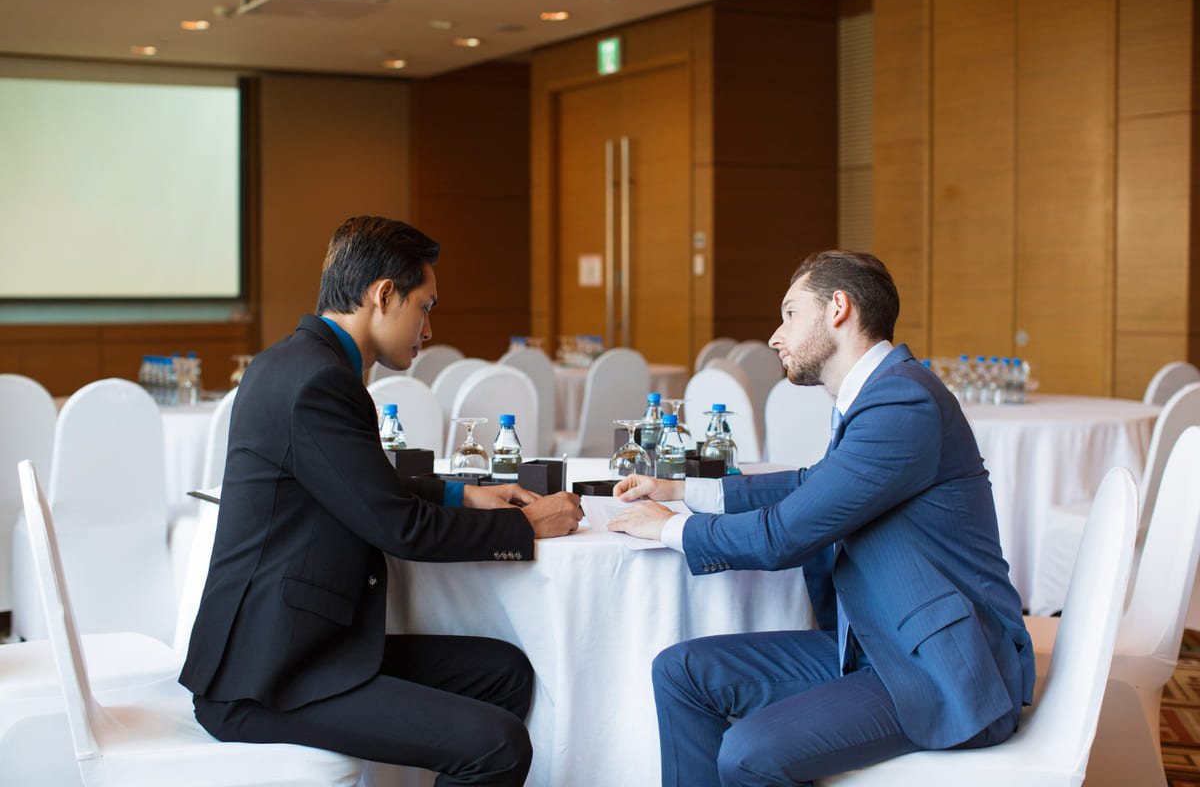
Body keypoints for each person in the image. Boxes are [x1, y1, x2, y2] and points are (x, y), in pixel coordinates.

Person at [179, 215, 582, 785]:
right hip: (266, 678)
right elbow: (401, 529)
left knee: (506, 672)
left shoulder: (299, 362)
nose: (428, 328)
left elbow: (358, 485)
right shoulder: (319, 381)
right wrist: (529, 526)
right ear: (384, 294)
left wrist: (464, 492)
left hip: (306, 650)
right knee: (498, 745)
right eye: (425, 307)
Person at [610, 250, 1034, 786]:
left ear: (838, 308)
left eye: (790, 314)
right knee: (682, 672)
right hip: (879, 643)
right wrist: (683, 491)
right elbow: (810, 487)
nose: (775, 336)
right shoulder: (879, 394)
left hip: (943, 669)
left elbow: (783, 535)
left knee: (748, 754)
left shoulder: (903, 401)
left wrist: (668, 527)